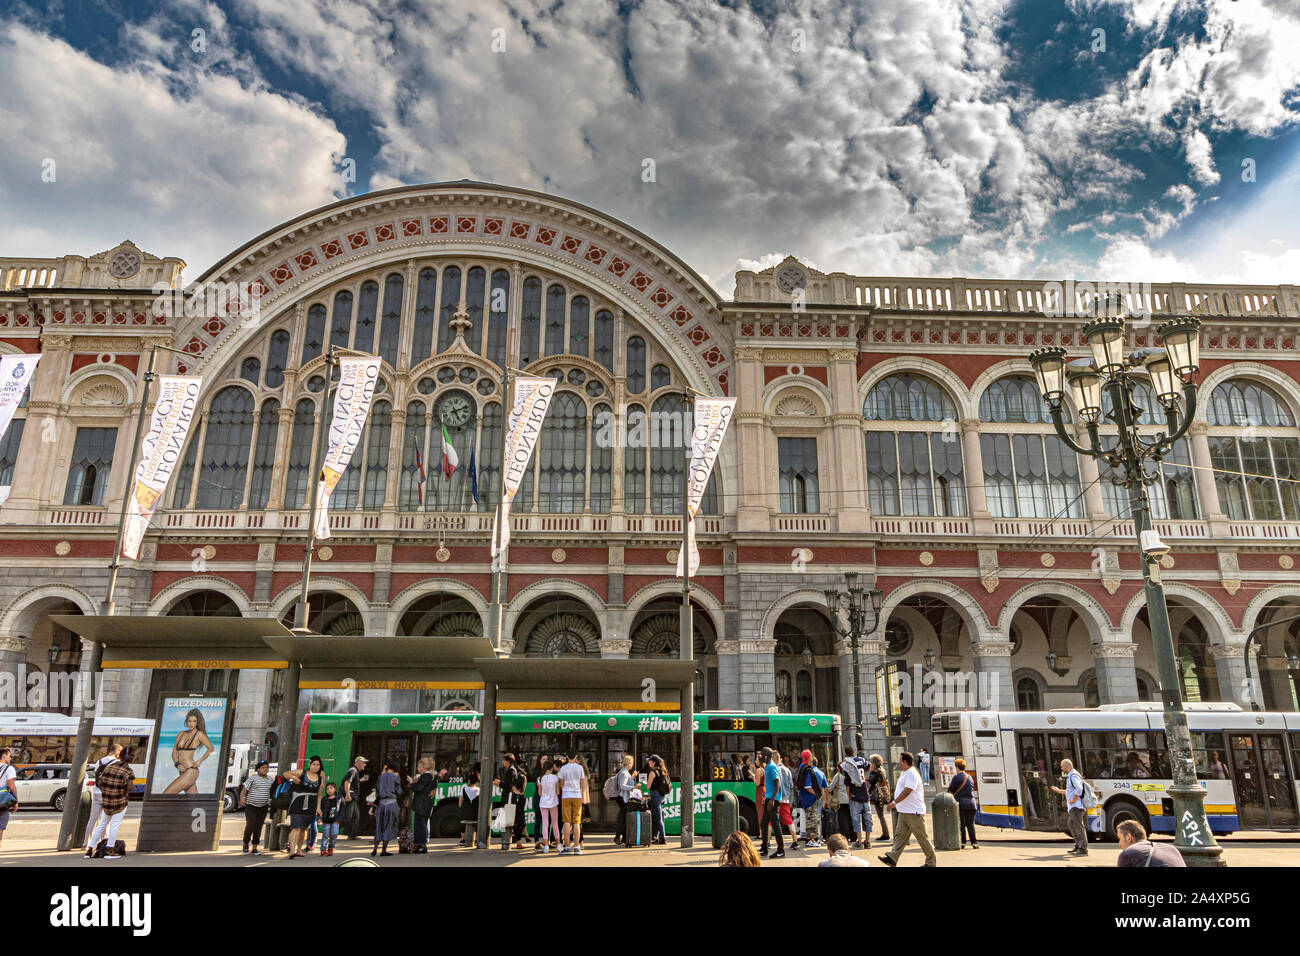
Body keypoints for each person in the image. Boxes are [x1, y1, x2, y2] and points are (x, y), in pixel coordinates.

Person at [877, 752, 936, 867]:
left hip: (913, 812)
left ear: (904, 762)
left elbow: (908, 790)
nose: (898, 762)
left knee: (922, 837)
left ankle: (931, 862)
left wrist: (894, 802)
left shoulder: (912, 774)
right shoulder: (906, 773)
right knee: (900, 836)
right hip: (904, 811)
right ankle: (892, 858)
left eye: (900, 760)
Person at [85, 748, 135, 859]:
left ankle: (89, 850)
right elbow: (130, 787)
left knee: (101, 824)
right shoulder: (128, 771)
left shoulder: (110, 767)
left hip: (106, 801)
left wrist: (107, 792)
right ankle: (109, 850)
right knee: (114, 825)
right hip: (119, 802)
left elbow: (101, 782)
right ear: (130, 758)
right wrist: (122, 791)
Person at [161, 708, 214, 795]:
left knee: (167, 794)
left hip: (191, 770)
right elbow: (174, 752)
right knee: (192, 801)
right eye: (189, 721)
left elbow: (211, 749)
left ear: (197, 723)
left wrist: (199, 761)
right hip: (181, 770)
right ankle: (203, 808)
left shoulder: (199, 734)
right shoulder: (181, 734)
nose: (191, 723)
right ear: (186, 722)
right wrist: (177, 765)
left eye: (194, 721)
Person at [82, 743, 123, 853]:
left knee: (93, 819)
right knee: (106, 821)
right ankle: (103, 842)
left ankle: (86, 843)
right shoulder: (117, 763)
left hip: (97, 792)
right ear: (117, 752)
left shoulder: (99, 762)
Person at [282, 755, 324, 859]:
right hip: (297, 802)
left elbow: (319, 794)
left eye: (318, 764)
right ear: (309, 764)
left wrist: (318, 808)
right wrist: (293, 777)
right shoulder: (302, 772)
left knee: (303, 829)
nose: (316, 766)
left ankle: (299, 850)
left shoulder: (320, 777)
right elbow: (285, 774)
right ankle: (292, 850)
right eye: (314, 764)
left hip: (311, 805)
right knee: (295, 827)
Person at [1049, 758, 1088, 856]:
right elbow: (1070, 791)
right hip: (1074, 807)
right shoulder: (1072, 775)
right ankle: (1078, 845)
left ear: (1067, 766)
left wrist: (1074, 799)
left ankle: (1083, 848)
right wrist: (1059, 791)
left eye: (1062, 766)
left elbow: (1079, 789)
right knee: (1071, 824)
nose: (1061, 769)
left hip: (1076, 807)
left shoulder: (1073, 776)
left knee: (1078, 826)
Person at [1116, 820, 1186, 867]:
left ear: (1129, 837)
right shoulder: (1171, 849)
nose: (1119, 844)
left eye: (1120, 838)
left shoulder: (1128, 854)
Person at [239, 759, 274, 854]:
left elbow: (272, 792)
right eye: (263, 768)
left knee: (258, 827)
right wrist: (242, 798)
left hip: (263, 807)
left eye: (267, 768)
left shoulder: (270, 780)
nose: (265, 769)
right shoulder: (252, 779)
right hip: (251, 806)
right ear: (258, 769)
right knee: (251, 824)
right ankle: (245, 843)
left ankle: (254, 847)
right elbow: (244, 790)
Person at [840, 746, 871, 848]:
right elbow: (868, 767)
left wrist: (850, 797)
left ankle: (860, 841)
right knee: (867, 818)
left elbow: (847, 785)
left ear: (846, 753)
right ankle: (868, 841)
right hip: (865, 794)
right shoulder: (861, 760)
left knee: (856, 819)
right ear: (854, 751)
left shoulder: (846, 765)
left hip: (854, 795)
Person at [495, 753, 528, 848]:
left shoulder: (511, 771)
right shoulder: (511, 769)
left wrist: (499, 783)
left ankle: (513, 842)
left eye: (504, 760)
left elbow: (509, 785)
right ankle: (518, 841)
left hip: (509, 798)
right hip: (510, 798)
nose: (502, 762)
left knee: (512, 819)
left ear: (508, 761)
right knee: (514, 819)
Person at [557, 749, 586, 855]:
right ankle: (577, 846)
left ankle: (567, 847)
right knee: (576, 821)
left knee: (566, 821)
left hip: (566, 795)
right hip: (577, 795)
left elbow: (561, 784)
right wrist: (582, 794)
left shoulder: (563, 769)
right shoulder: (580, 768)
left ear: (567, 756)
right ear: (576, 756)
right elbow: (582, 783)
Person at [757, 748, 785, 859]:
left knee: (776, 824)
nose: (760, 757)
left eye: (762, 755)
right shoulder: (768, 766)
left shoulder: (772, 767)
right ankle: (764, 848)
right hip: (769, 799)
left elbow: (777, 783)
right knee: (764, 823)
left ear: (767, 756)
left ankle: (781, 850)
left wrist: (772, 800)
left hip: (773, 800)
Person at [795, 750, 826, 848]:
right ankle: (810, 840)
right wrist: (816, 794)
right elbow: (807, 786)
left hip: (805, 798)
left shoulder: (801, 767)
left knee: (810, 819)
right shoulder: (807, 769)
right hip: (810, 799)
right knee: (811, 820)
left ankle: (814, 839)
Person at [612, 753, 643, 846]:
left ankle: (623, 838)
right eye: (632, 763)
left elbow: (626, 783)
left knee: (624, 817)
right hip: (622, 798)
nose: (632, 765)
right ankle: (618, 837)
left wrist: (633, 777)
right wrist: (633, 787)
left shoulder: (625, 772)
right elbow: (622, 786)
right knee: (623, 818)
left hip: (622, 797)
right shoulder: (624, 773)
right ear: (628, 763)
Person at [947, 757, 979, 849]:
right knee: (970, 824)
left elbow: (951, 790)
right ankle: (974, 842)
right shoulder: (969, 777)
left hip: (961, 803)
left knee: (961, 823)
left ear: (957, 767)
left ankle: (963, 842)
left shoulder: (956, 778)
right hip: (972, 804)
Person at [372, 760, 401, 856]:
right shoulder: (396, 777)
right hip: (391, 803)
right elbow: (399, 791)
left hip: (381, 804)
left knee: (378, 826)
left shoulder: (381, 777)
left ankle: (375, 849)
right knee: (388, 826)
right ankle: (383, 850)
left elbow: (377, 788)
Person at [410, 756, 436, 854]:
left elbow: (418, 788)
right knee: (422, 824)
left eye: (419, 767)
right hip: (426, 805)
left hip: (421, 805)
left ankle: (421, 845)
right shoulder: (431, 776)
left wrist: (412, 783)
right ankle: (419, 844)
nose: (418, 768)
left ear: (425, 767)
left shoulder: (425, 776)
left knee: (420, 825)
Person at [534, 757, 559, 852]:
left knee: (545, 823)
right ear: (552, 768)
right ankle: (558, 843)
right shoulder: (555, 778)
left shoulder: (540, 779)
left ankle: (546, 845)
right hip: (553, 802)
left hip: (543, 802)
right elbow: (557, 792)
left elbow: (540, 793)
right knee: (555, 823)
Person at [340, 755, 369, 840]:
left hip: (353, 797)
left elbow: (352, 782)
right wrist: (347, 794)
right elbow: (347, 782)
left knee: (356, 816)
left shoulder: (355, 771)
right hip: (350, 797)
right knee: (347, 817)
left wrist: (360, 780)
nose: (365, 765)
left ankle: (352, 835)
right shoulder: (353, 770)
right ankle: (332, 830)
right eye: (363, 763)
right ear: (358, 763)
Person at [646, 754, 671, 845]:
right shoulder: (663, 771)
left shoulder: (653, 773)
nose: (648, 762)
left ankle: (663, 838)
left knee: (658, 818)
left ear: (654, 762)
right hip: (661, 796)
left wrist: (645, 783)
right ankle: (655, 837)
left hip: (655, 796)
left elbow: (648, 786)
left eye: (650, 761)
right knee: (656, 817)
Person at [867, 754, 891, 842]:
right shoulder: (882, 769)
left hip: (878, 796)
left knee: (880, 815)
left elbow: (871, 781)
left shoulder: (875, 771)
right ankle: (885, 833)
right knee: (881, 815)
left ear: (873, 763)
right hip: (883, 794)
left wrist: (871, 771)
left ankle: (885, 834)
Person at [776, 752, 795, 848]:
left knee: (771, 821)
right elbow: (791, 786)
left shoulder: (774, 769)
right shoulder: (787, 770)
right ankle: (795, 841)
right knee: (789, 821)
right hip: (786, 799)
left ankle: (767, 842)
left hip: (776, 799)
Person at [458, 766, 481, 847]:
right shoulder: (479, 790)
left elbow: (460, 801)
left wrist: (460, 809)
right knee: (478, 824)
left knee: (463, 823)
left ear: (469, 781)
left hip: (466, 813)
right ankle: (477, 840)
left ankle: (463, 839)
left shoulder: (464, 789)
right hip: (475, 814)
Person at [318, 781, 341, 856]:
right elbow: (321, 809)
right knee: (325, 835)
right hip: (326, 820)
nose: (329, 790)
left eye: (331, 788)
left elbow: (342, 809)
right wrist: (320, 818)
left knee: (334, 834)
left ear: (335, 789)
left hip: (335, 820)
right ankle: (323, 850)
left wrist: (340, 819)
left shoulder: (339, 799)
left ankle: (331, 848)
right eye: (327, 789)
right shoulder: (324, 799)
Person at [0, 747, 16, 848]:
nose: (10, 759)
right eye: (9, 756)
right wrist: (15, 800)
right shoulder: (9, 768)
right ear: (4, 756)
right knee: (0, 827)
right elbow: (11, 784)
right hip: (2, 802)